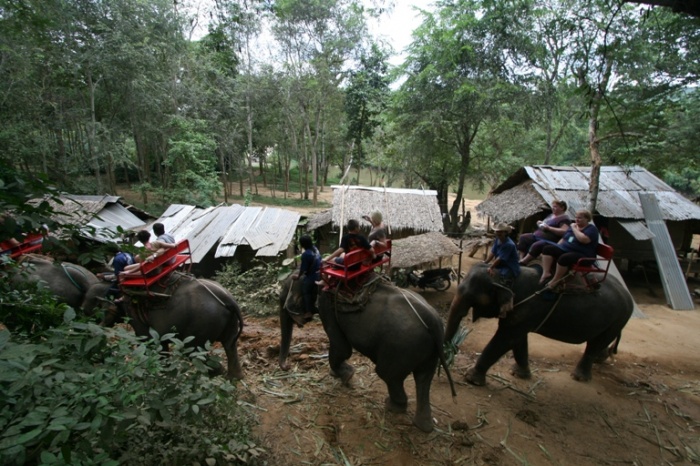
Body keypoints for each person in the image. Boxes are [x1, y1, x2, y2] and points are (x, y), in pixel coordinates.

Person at [539, 209, 600, 289]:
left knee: (564, 258)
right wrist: (557, 247)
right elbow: (564, 238)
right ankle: (546, 273)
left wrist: (574, 228)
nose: (577, 219)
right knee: (547, 249)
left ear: (587, 219)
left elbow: (584, 240)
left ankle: (555, 280)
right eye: (576, 217)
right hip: (567, 249)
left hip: (584, 255)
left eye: (580, 218)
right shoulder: (573, 227)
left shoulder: (591, 229)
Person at [518, 200, 571, 265]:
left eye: (555, 207)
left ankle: (525, 260)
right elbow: (544, 223)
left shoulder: (564, 219)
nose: (553, 208)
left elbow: (564, 231)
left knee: (537, 244)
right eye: (552, 206)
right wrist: (540, 223)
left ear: (562, 208)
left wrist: (549, 228)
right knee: (523, 237)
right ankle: (521, 257)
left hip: (548, 239)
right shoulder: (551, 215)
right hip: (537, 235)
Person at [484, 222, 520, 318]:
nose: (498, 233)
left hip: (509, 266)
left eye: (500, 232)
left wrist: (491, 267)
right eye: (497, 232)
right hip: (500, 264)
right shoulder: (498, 240)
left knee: (504, 283)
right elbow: (493, 252)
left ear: (505, 233)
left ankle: (505, 308)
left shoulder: (509, 244)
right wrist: (485, 262)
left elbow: (500, 258)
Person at [289, 235, 322, 327]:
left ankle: (308, 311)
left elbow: (303, 269)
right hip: (320, 274)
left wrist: (297, 276)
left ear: (302, 244)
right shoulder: (316, 249)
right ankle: (314, 306)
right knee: (314, 292)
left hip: (312, 277)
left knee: (306, 291)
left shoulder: (306, 254)